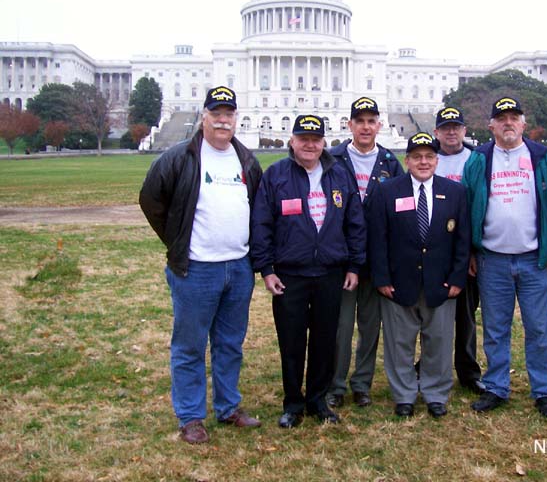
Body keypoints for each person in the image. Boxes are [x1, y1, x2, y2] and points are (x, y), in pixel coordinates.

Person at [139, 85, 263, 445]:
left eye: (229, 114)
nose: (223, 121)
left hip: (238, 267)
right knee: (190, 346)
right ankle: (191, 416)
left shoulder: (246, 160)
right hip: (196, 269)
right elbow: (151, 200)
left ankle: (228, 407)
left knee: (229, 343)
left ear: (235, 119)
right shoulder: (180, 157)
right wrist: (179, 241)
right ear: (204, 116)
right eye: (216, 114)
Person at [251, 114, 366, 428]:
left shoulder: (339, 174)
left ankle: (318, 400)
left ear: (323, 143)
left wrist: (355, 265)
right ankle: (293, 403)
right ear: (293, 141)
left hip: (331, 271)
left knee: (324, 341)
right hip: (291, 274)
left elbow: (355, 223)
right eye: (304, 139)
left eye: (316, 140)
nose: (310, 145)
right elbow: (261, 224)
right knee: (291, 342)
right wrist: (266, 269)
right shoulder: (276, 175)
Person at [462, 96, 547, 419]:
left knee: (538, 327)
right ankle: (496, 386)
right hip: (492, 259)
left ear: (524, 123)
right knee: (495, 328)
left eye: (514, 117)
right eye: (502, 118)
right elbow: (467, 207)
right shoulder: (479, 159)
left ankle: (543, 390)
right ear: (491, 125)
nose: (508, 123)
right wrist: (471, 249)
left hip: (533, 260)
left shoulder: (543, 158)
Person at [368, 132, 470, 418]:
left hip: (441, 282)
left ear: (437, 161)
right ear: (407, 160)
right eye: (416, 157)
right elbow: (378, 239)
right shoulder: (387, 191)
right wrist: (382, 278)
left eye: (428, 157)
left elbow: (462, 241)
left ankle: (435, 393)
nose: (423, 162)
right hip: (399, 282)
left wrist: (457, 278)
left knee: (438, 341)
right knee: (399, 342)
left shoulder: (456, 193)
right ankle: (404, 395)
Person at [327, 97, 404, 409]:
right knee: (341, 328)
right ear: (350, 125)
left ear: (379, 126)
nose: (365, 127)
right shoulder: (332, 158)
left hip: (375, 260)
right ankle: (335, 384)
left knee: (370, 327)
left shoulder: (389, 162)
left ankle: (362, 384)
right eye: (360, 121)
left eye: (371, 121)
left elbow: (400, 210)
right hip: (342, 258)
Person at [432, 106, 484, 394]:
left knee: (465, 314)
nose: (452, 132)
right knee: (430, 313)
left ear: (464, 131)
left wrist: (473, 251)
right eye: (446, 127)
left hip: (464, 251)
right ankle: (428, 364)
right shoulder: (426, 157)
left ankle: (468, 370)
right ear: (437, 131)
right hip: (432, 249)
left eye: (457, 127)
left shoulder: (476, 160)